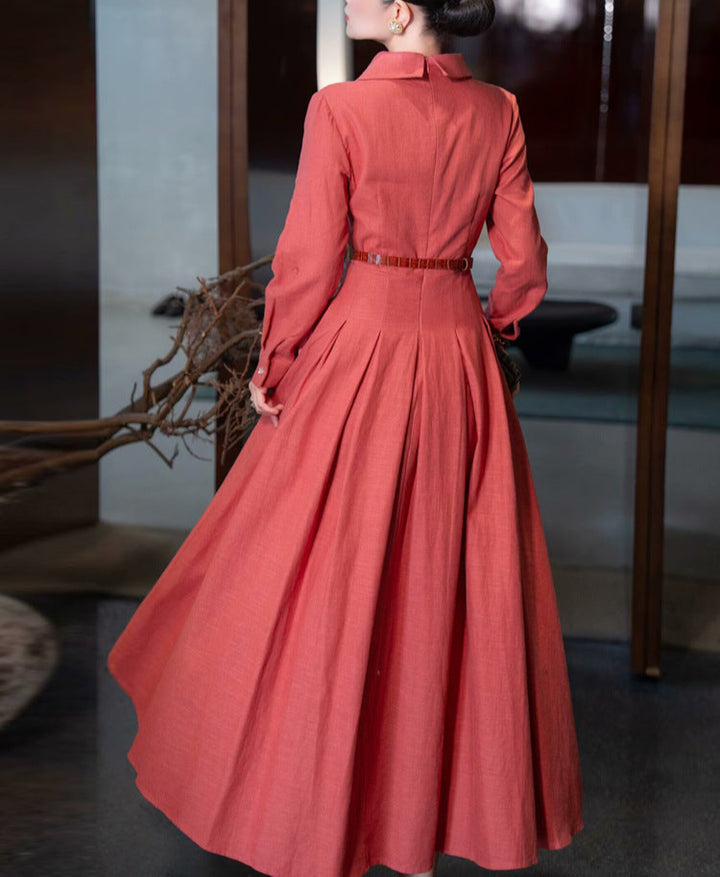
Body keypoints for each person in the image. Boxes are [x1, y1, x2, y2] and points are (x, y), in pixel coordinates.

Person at [107, 2, 584, 876]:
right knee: (447, 576)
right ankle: (422, 809)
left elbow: (307, 258)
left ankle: (309, 798)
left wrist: (277, 360)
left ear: (401, 11)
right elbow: (523, 262)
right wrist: (496, 329)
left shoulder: (341, 109)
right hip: (458, 354)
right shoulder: (499, 110)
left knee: (306, 563)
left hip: (359, 344)